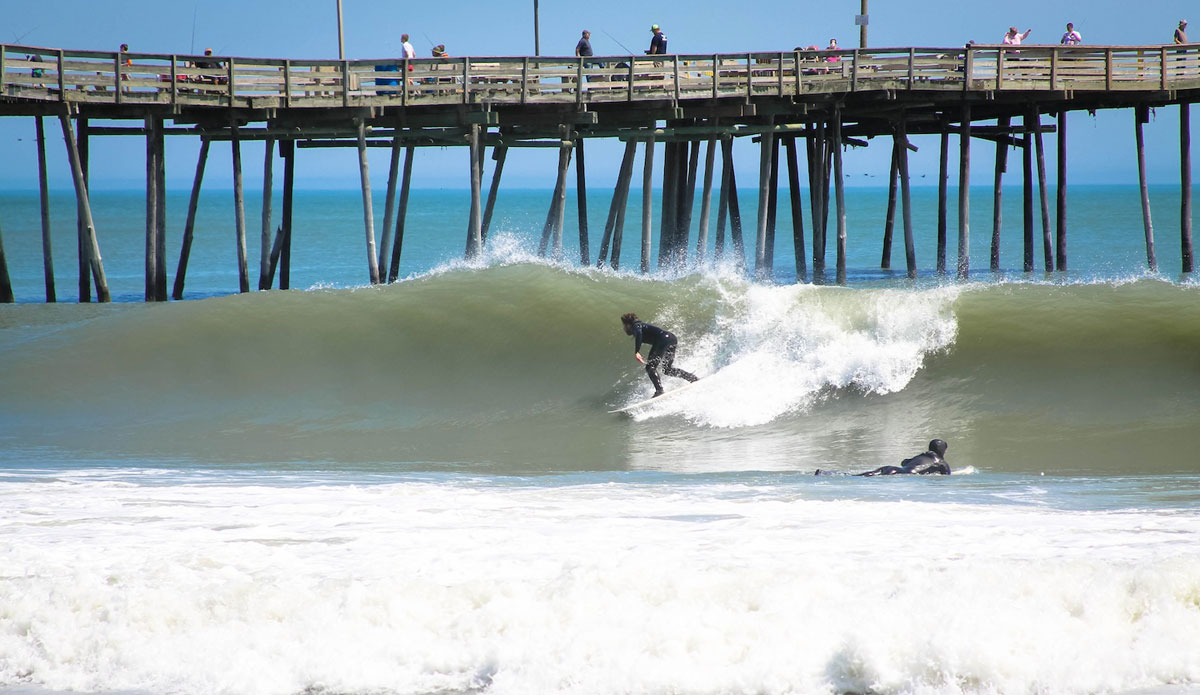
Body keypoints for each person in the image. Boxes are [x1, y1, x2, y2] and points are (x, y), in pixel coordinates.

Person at [620, 313, 698, 397]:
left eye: (624, 326)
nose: (624, 328)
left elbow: (639, 333)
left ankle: (659, 390)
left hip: (663, 339)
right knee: (667, 369)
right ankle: (692, 378)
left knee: (650, 367)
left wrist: (637, 352)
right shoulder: (641, 325)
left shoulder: (636, 326)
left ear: (628, 324)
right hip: (671, 338)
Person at [816, 439, 951, 476]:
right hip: (899, 473)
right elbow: (947, 474)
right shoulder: (941, 463)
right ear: (942, 451)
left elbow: (904, 461)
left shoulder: (922, 455)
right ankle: (828, 474)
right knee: (859, 477)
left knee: (858, 475)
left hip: (892, 468)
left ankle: (826, 473)